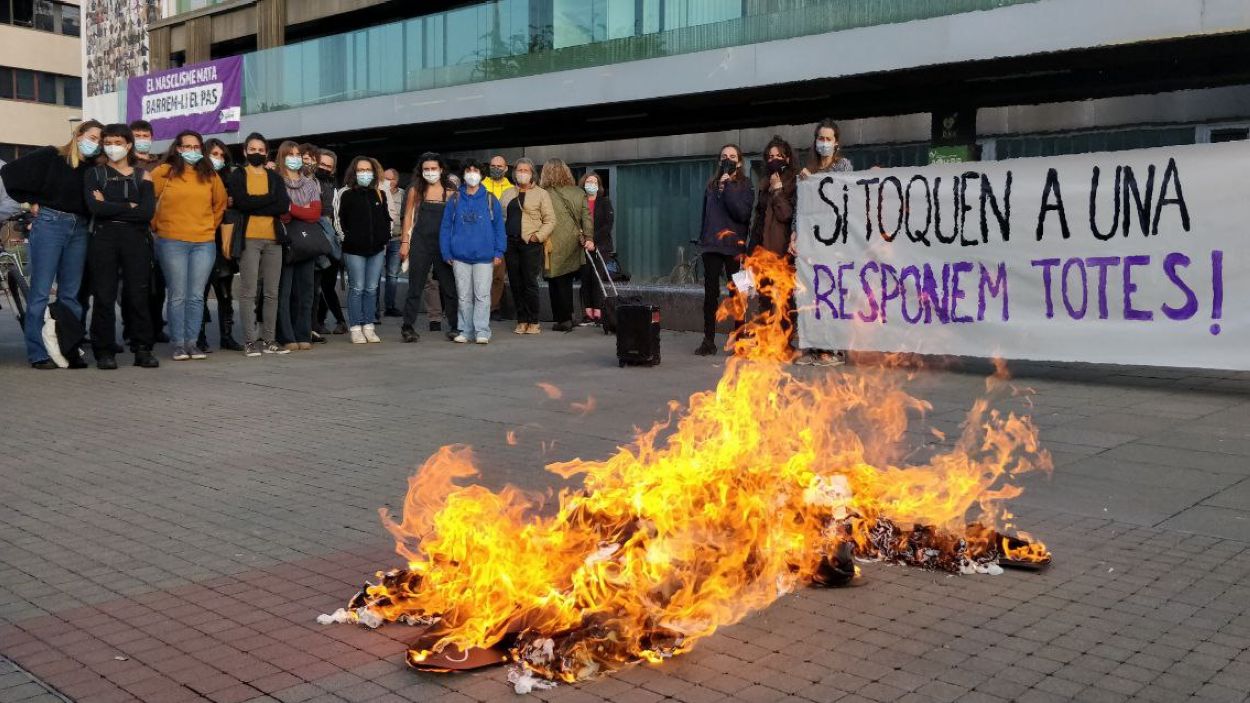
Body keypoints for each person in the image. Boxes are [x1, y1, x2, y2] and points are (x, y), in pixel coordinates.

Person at [0, 119, 102, 369]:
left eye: (99, 140)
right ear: (79, 134)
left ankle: (69, 347)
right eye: (93, 137)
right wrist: (29, 201)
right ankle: (37, 353)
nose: (96, 144)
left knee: (70, 294)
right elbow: (10, 173)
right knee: (40, 292)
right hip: (50, 223)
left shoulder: (92, 168)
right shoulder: (51, 155)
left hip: (79, 228)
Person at [83, 123, 159, 369]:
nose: (112, 147)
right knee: (104, 295)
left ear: (128, 145)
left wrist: (111, 204)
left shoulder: (143, 176)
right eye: (108, 142)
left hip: (136, 238)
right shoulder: (94, 174)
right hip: (104, 238)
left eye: (118, 142)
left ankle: (142, 348)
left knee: (138, 294)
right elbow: (95, 208)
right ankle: (104, 351)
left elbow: (147, 212)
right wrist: (128, 206)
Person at [150, 129, 228, 361]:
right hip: (171, 241)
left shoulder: (210, 175)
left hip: (203, 242)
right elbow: (147, 198)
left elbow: (220, 203)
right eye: (188, 147)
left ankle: (192, 343)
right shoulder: (164, 172)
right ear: (178, 148)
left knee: (195, 296)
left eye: (197, 148)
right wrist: (157, 224)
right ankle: (178, 344)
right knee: (177, 295)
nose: (192, 151)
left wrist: (209, 227)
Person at [794, 119, 854, 367]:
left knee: (831, 293)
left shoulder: (843, 166)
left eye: (829, 139)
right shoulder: (808, 169)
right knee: (810, 294)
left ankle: (833, 350)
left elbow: (844, 196)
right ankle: (813, 346)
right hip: (811, 242)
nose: (824, 143)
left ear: (836, 142)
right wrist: (794, 234)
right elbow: (801, 208)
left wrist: (815, 181)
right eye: (821, 138)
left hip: (834, 241)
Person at [227, 133, 290, 357]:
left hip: (274, 240)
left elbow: (283, 205)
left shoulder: (275, 177)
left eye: (261, 150)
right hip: (249, 239)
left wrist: (255, 203)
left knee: (272, 292)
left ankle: (270, 339)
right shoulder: (238, 175)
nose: (256, 153)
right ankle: (250, 341)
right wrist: (267, 202)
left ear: (266, 153)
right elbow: (242, 203)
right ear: (245, 151)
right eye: (252, 149)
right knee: (249, 291)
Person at [694, 143, 754, 356]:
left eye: (732, 156)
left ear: (739, 162)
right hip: (711, 245)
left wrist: (727, 187)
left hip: (734, 247)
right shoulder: (711, 185)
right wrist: (703, 238)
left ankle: (739, 338)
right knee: (710, 294)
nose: (727, 159)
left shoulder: (745, 185)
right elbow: (706, 214)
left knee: (738, 293)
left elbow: (742, 214)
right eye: (723, 156)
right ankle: (708, 340)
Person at [441, 159, 505, 344]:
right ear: (463, 174)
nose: (471, 173)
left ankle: (482, 331)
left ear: (481, 174)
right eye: (468, 170)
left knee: (483, 295)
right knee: (463, 296)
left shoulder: (490, 199)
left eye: (475, 170)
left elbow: (499, 228)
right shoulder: (454, 199)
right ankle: (465, 330)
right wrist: (446, 252)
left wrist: (499, 252)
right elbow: (446, 227)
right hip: (459, 256)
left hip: (484, 257)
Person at [399, 152, 459, 343]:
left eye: (434, 168)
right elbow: (408, 216)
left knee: (449, 287)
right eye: (426, 169)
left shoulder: (451, 192)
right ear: (421, 171)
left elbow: (456, 220)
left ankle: (455, 326)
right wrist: (405, 243)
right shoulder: (415, 190)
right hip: (420, 243)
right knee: (415, 287)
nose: (430, 172)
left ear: (441, 170)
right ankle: (408, 327)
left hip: (444, 245)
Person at [750, 134, 798, 350]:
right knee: (765, 299)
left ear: (787, 158)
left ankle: (786, 343)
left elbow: (787, 215)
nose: (773, 160)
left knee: (785, 300)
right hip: (762, 251)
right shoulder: (763, 183)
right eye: (770, 156)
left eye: (778, 156)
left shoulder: (794, 182)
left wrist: (778, 191)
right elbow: (759, 218)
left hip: (782, 251)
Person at [195, 138, 243, 353]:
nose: (219, 159)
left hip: (224, 242)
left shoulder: (230, 179)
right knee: (200, 292)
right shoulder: (197, 178)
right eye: (215, 154)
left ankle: (227, 335)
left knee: (224, 293)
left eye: (222, 155)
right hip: (201, 239)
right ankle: (199, 336)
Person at [274, 141, 322, 351]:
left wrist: (292, 208)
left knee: (306, 290)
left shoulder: (310, 184)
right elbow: (282, 214)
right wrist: (299, 208)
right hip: (286, 241)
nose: (295, 158)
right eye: (290, 154)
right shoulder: (276, 181)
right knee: (285, 291)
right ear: (282, 158)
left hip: (307, 242)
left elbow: (314, 215)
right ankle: (286, 335)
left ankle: (303, 333)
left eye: (297, 154)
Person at [336, 156, 390, 344]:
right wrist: (347, 239)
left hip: (376, 249)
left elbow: (386, 219)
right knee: (357, 288)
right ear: (354, 172)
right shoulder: (346, 193)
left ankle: (369, 326)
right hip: (353, 250)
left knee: (372, 288)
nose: (365, 173)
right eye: (361, 170)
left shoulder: (379, 193)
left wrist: (385, 240)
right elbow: (338, 220)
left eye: (368, 170)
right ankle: (355, 327)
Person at [499, 158, 554, 335]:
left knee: (530, 282)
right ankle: (521, 319)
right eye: (519, 170)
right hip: (511, 242)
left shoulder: (541, 193)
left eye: (526, 170)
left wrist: (537, 236)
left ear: (532, 173)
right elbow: (500, 218)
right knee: (515, 282)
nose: (522, 173)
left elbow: (550, 220)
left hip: (530, 244)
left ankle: (534, 320)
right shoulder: (507, 193)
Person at [538, 158, 593, 332]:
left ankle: (563, 319)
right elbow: (587, 218)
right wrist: (589, 237)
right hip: (575, 243)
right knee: (566, 280)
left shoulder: (543, 193)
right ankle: (569, 315)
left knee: (556, 281)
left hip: (551, 242)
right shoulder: (578, 192)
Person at [128, 119, 167, 344]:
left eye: (145, 135)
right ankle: (132, 329)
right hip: (133, 230)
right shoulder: (125, 164)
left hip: (158, 231)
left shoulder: (159, 165)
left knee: (158, 284)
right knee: (134, 284)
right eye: (137, 135)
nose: (142, 140)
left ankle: (156, 326)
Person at [312, 149, 348, 336]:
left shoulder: (335, 187)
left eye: (328, 166)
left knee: (327, 284)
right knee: (317, 283)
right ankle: (318, 321)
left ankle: (337, 320)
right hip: (315, 235)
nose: (324, 168)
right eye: (322, 164)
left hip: (332, 237)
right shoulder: (311, 182)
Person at [577, 171, 614, 326]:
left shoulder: (605, 202)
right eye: (588, 181)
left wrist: (593, 240)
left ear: (599, 186)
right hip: (583, 245)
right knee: (585, 279)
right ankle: (588, 313)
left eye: (594, 182)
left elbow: (608, 225)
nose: (591, 184)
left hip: (600, 246)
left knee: (596, 279)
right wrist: (584, 239)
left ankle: (599, 313)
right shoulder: (580, 202)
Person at [483, 154, 513, 318]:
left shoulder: (512, 189)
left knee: (498, 276)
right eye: (493, 166)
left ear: (506, 168)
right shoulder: (481, 186)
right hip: (483, 237)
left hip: (503, 237)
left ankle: (493, 308)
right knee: (482, 275)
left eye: (499, 166)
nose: (496, 169)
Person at [380, 168, 405, 318]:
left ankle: (390, 306)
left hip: (396, 239)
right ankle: (374, 309)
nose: (387, 182)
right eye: (384, 179)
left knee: (392, 275)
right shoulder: (378, 192)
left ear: (397, 180)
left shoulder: (403, 194)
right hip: (380, 240)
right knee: (375, 275)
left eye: (390, 179)